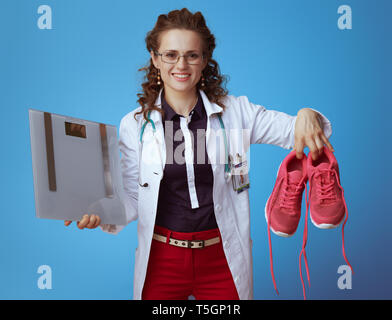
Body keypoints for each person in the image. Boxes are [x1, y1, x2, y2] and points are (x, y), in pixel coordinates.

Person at [65, 8, 333, 300]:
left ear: (205, 60)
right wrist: (97, 212)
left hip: (222, 256)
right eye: (170, 54)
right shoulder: (136, 124)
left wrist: (308, 115)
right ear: (155, 59)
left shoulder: (236, 113)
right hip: (162, 259)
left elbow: (303, 131)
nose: (181, 64)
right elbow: (132, 197)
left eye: (192, 55)